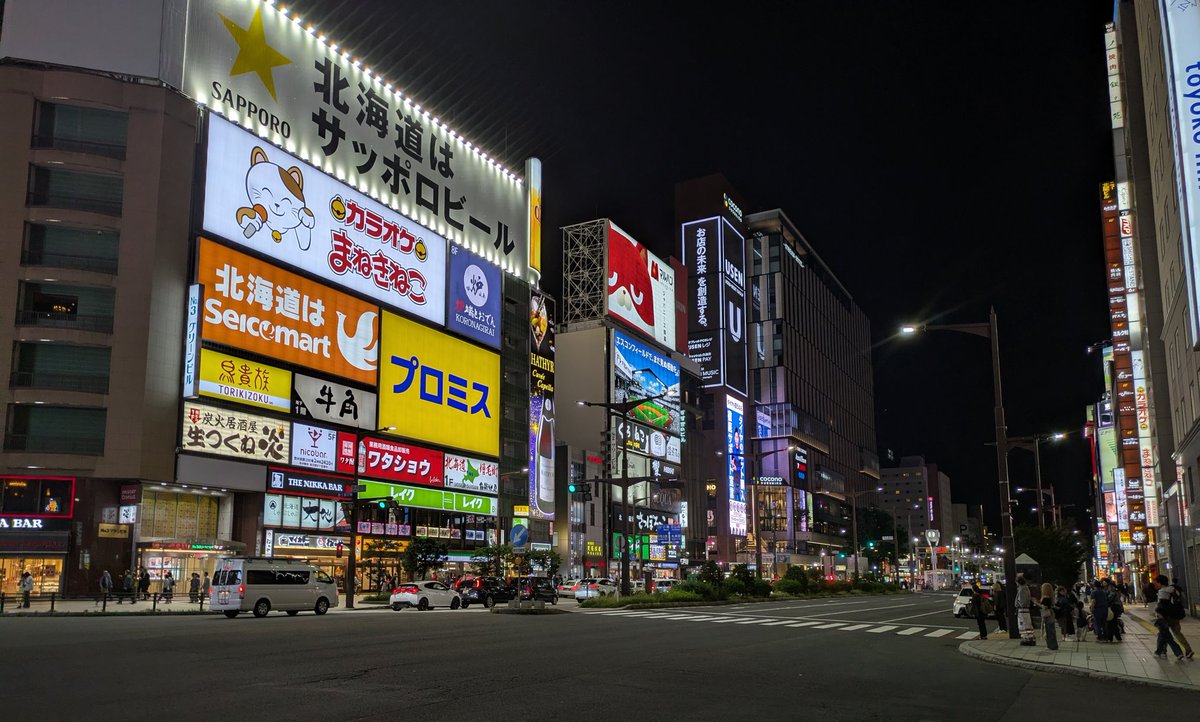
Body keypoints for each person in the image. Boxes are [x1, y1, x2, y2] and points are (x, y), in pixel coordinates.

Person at [1154, 574, 1193, 660]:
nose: (1156, 585)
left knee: (1163, 634)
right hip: (1175, 615)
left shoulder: (1162, 592)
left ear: (1160, 583)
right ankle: (1188, 650)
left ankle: (1162, 652)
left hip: (1166, 616)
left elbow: (1162, 605)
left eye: (1156, 583)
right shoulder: (1173, 589)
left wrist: (1158, 614)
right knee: (1177, 633)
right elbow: (1182, 599)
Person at [1015, 575, 1035, 646]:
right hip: (1026, 610)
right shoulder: (1026, 588)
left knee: (1023, 624)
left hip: (1022, 610)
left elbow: (1022, 601)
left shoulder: (1022, 589)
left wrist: (1019, 604)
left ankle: (1026, 639)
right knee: (1028, 624)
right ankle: (1030, 637)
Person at [1040, 582, 1058, 650]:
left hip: (1047, 615)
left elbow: (1044, 607)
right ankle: (1053, 645)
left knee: (1049, 631)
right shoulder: (1051, 597)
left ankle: (1051, 645)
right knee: (1051, 630)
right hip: (1051, 614)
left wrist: (1036, 603)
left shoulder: (1046, 597)